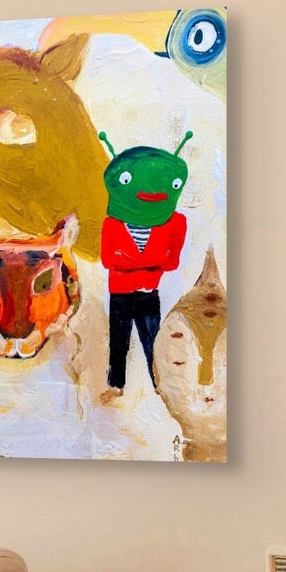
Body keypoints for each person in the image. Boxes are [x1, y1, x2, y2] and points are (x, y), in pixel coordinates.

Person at [96, 130, 191, 396]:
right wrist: (151, 264)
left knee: (153, 340)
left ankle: (160, 384)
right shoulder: (112, 223)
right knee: (119, 341)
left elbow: (171, 263)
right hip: (123, 293)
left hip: (146, 292)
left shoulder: (174, 223)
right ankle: (116, 386)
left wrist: (131, 265)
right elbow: (108, 260)